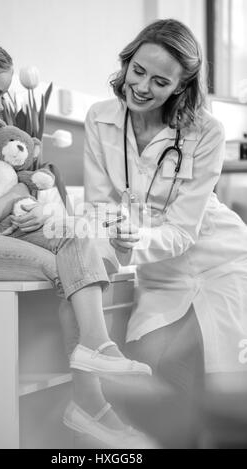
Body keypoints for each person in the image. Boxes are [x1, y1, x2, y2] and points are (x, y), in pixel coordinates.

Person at [0, 34, 155, 449]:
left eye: (3, 96)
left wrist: (18, 202)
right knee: (64, 268)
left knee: (73, 237)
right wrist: (17, 197)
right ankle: (88, 400)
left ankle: (98, 347)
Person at [83, 18, 247, 400]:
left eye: (160, 82)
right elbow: (98, 204)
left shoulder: (206, 131)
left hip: (221, 263)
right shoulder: (99, 118)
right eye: (137, 72)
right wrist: (112, 234)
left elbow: (182, 230)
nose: (141, 87)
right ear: (126, 64)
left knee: (220, 390)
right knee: (148, 369)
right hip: (160, 276)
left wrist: (131, 240)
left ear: (181, 87)